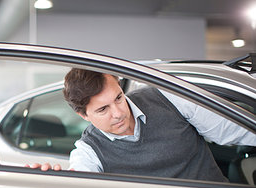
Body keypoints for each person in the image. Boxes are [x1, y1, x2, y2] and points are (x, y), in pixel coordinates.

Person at [27, 68, 256, 182]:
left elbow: (234, 130)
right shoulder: (88, 151)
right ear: (83, 115)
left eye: (118, 98)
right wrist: (51, 185)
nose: (118, 113)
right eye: (102, 109)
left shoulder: (167, 97)